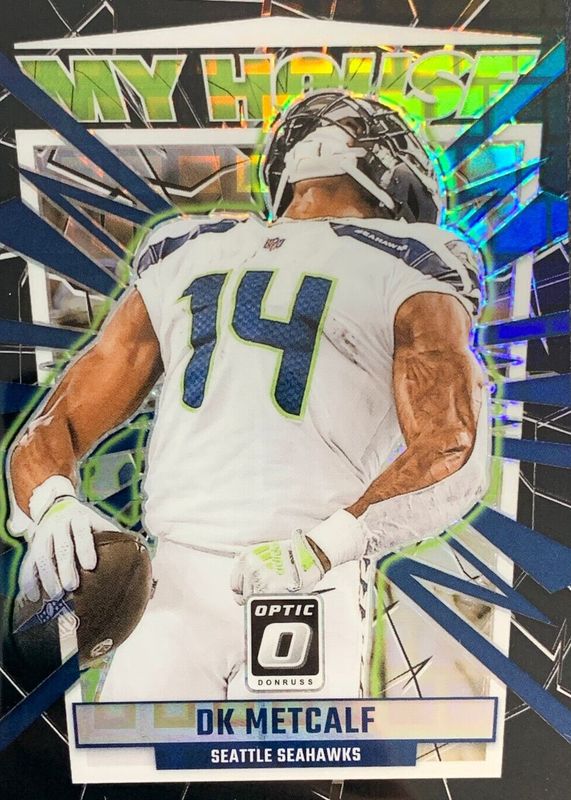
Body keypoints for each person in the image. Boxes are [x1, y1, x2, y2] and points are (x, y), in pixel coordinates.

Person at [7, 90, 489, 701]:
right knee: (286, 763)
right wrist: (328, 546)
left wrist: (51, 503)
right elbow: (452, 447)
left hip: (185, 585)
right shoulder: (413, 262)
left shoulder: (188, 248)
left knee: (140, 756)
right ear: (398, 180)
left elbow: (52, 429)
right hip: (302, 577)